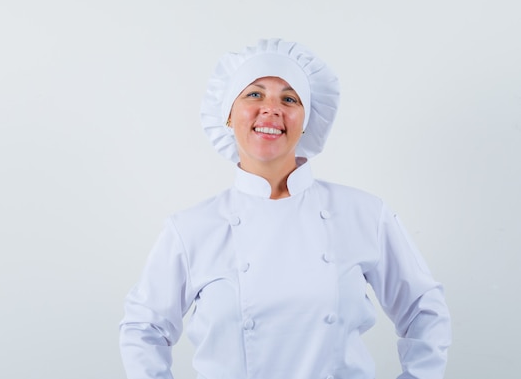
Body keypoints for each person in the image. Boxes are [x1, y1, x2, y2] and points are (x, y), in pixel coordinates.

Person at [119, 38, 451, 379]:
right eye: (254, 94)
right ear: (228, 116)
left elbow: (424, 308)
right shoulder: (191, 228)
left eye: (289, 99)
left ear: (307, 120)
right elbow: (143, 329)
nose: (271, 109)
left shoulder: (364, 214)